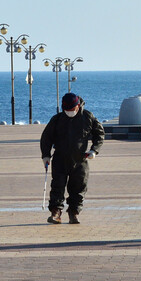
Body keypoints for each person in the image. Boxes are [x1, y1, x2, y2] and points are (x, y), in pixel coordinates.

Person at [40, 92, 105, 224]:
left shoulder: (88, 117)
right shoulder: (57, 119)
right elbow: (46, 138)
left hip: (80, 160)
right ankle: (56, 213)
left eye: (71, 110)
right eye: (66, 110)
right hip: (60, 159)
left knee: (79, 188)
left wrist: (94, 150)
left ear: (77, 106)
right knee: (57, 187)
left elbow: (99, 134)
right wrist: (46, 155)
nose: (69, 112)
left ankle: (73, 212)